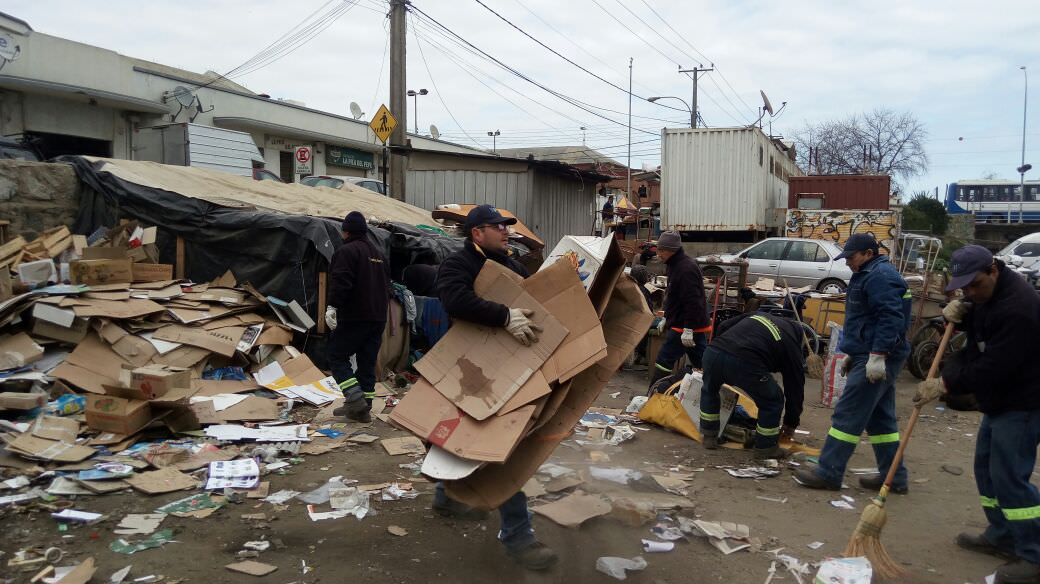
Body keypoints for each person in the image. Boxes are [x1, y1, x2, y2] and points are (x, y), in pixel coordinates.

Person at [432, 204, 557, 571]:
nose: (506, 232)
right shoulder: (458, 264)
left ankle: (445, 496)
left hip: (509, 368)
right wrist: (503, 316)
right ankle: (520, 539)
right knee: (497, 447)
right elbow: (454, 300)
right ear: (476, 234)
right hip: (470, 370)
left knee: (474, 438)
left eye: (506, 227)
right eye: (497, 227)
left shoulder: (513, 265)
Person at [913, 245, 1040, 584]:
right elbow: (974, 346)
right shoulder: (987, 298)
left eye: (975, 286)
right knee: (986, 471)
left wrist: (945, 383)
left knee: (1010, 478)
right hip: (998, 401)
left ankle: (1034, 554)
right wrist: (961, 315)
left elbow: (993, 366)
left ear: (994, 270)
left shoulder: (1020, 309)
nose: (970, 292)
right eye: (964, 288)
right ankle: (1001, 533)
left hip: (1023, 402)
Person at [794, 233, 912, 491]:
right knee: (881, 421)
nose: (847, 262)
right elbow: (866, 319)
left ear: (869, 253)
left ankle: (828, 472)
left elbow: (890, 318)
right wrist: (854, 352)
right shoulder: (870, 274)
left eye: (851, 256)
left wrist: (877, 355)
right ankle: (894, 477)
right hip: (868, 353)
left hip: (878, 355)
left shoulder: (879, 277)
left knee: (848, 413)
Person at [698, 311, 805, 459]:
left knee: (710, 390)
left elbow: (723, 325)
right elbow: (795, 388)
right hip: (745, 361)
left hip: (713, 352)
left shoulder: (758, 314)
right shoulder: (792, 343)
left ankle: (709, 436)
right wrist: (791, 423)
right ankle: (766, 448)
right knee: (772, 400)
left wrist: (721, 350)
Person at [326, 212, 391, 423]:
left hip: (355, 316)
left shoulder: (346, 251)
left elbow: (341, 282)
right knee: (367, 362)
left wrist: (332, 306)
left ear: (345, 231)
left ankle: (354, 399)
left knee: (336, 355)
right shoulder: (379, 254)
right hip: (378, 318)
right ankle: (364, 409)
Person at [650, 230, 710, 389]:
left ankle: (654, 393)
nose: (658, 254)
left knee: (664, 360)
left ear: (672, 250)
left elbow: (693, 301)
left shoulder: (685, 269)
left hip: (685, 325)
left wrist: (688, 328)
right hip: (685, 323)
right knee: (702, 362)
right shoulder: (674, 265)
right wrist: (666, 315)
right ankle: (712, 390)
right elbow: (673, 295)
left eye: (661, 250)